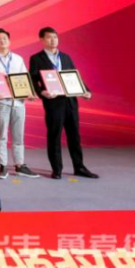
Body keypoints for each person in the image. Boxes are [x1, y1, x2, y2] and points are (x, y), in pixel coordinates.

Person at [29, 27, 99, 180]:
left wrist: (86, 91)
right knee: (54, 136)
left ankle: (79, 167)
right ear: (42, 40)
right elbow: (32, 80)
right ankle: (57, 169)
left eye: (55, 37)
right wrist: (41, 92)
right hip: (54, 103)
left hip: (70, 101)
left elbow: (75, 76)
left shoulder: (66, 57)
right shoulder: (36, 58)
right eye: (49, 37)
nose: (53, 40)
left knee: (75, 136)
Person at [0, 28, 39, 179]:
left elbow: (24, 78)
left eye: (4, 38)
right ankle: (3, 166)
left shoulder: (18, 59)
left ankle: (20, 165)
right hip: (1, 102)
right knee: (1, 135)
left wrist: (29, 93)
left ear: (9, 41)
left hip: (19, 103)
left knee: (18, 135)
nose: (2, 41)